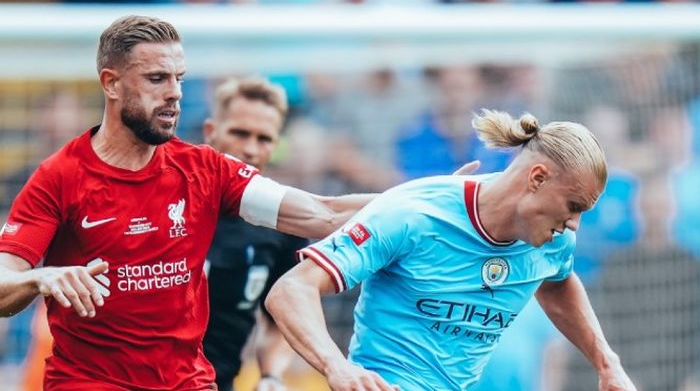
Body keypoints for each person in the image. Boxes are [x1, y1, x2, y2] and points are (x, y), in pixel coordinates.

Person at [0, 14, 381, 391]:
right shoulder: (59, 177)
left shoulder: (205, 169)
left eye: (178, 79)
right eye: (157, 79)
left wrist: (431, 198)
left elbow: (322, 212)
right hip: (91, 383)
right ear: (111, 84)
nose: (174, 93)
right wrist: (38, 277)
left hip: (188, 383)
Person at [266, 109, 639, 391]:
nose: (574, 224)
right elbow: (291, 290)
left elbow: (558, 282)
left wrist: (607, 362)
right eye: (574, 206)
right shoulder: (415, 212)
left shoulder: (552, 241)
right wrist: (336, 366)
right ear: (537, 178)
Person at [201, 77, 304, 391]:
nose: (250, 149)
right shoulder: (168, 199)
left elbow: (280, 322)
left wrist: (271, 375)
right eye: (239, 133)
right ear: (211, 132)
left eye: (264, 138)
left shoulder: (282, 223)